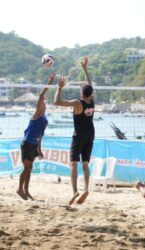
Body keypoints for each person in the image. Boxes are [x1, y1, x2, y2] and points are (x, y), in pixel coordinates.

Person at [54, 57, 94, 205]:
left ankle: (75, 191)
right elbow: (89, 84)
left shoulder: (78, 103)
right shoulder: (91, 100)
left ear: (82, 93)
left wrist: (59, 88)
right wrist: (85, 69)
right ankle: (86, 189)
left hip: (79, 136)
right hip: (90, 134)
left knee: (73, 163)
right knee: (85, 164)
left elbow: (57, 102)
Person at [17, 73, 55, 201]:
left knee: (30, 169)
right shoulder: (37, 114)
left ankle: (26, 191)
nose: (43, 104)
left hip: (33, 144)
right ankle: (19, 189)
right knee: (26, 168)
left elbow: (40, 136)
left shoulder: (44, 120)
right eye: (41, 104)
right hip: (27, 142)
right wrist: (49, 82)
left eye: (44, 104)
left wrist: (39, 150)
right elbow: (41, 96)